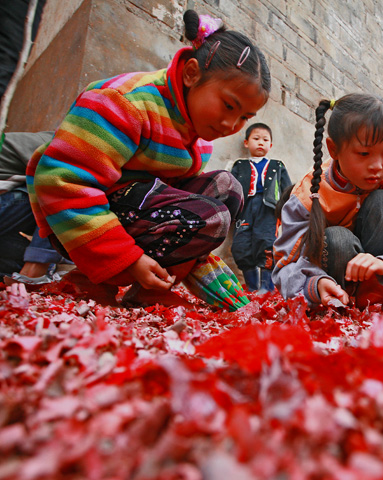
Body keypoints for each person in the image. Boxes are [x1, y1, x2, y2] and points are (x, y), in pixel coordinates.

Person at [25, 10, 270, 309]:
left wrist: (205, 269)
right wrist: (127, 259)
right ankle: (92, 278)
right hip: (76, 219)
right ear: (191, 74)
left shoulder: (199, 138)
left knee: (227, 188)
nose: (232, 125)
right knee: (213, 216)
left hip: (137, 212)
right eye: (228, 106)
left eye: (244, 117)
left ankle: (152, 290)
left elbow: (180, 206)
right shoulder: (124, 103)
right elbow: (62, 181)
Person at [272, 93, 383, 310]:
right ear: (333, 149)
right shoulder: (306, 195)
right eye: (364, 153)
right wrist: (315, 284)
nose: (377, 166)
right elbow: (284, 265)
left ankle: (373, 303)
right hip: (331, 285)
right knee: (338, 239)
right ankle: (340, 304)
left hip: (376, 286)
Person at [230, 122, 291, 292]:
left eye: (265, 140)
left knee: (267, 242)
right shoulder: (239, 165)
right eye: (256, 138)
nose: (261, 142)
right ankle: (251, 287)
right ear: (246, 143)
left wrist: (285, 211)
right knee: (240, 245)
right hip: (244, 209)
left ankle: (267, 287)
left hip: (268, 210)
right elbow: (231, 188)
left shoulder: (277, 165)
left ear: (270, 145)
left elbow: (287, 189)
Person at [0, 131, 68, 284]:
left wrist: (40, 259)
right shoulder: (62, 144)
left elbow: (66, 186)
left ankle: (37, 267)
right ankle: (31, 266)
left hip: (27, 200)